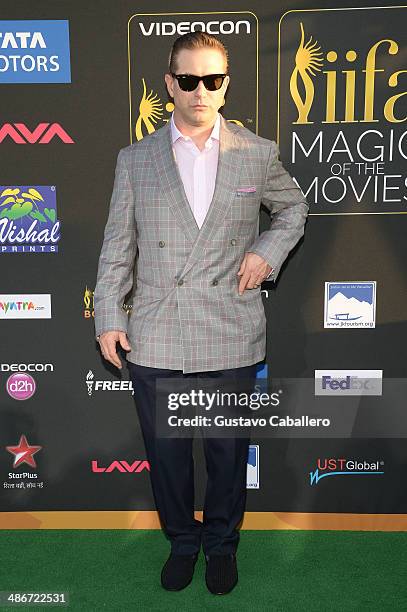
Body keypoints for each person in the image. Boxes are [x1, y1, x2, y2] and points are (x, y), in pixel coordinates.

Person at [94, 31, 308, 595]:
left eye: (212, 81)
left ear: (226, 85)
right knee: (166, 458)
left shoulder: (255, 152)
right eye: (188, 80)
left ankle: (221, 545)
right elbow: (118, 244)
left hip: (229, 328)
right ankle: (181, 543)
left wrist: (266, 252)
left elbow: (293, 210)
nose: (200, 92)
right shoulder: (135, 159)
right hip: (157, 331)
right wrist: (109, 317)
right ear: (170, 84)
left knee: (225, 453)